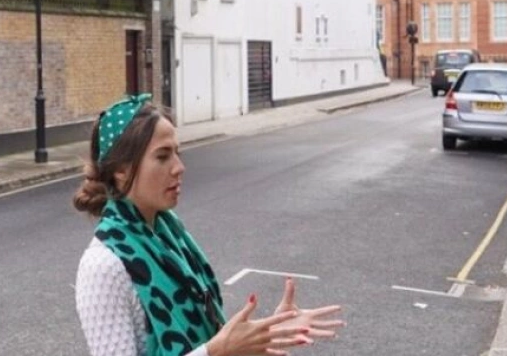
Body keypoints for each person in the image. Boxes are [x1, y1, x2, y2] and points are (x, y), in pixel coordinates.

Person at [73, 94, 345, 356]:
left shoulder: (168, 238)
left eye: (177, 153)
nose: (179, 167)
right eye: (162, 156)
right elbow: (214, 349)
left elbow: (212, 344)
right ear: (121, 169)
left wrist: (266, 334)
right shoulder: (103, 267)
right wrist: (218, 351)